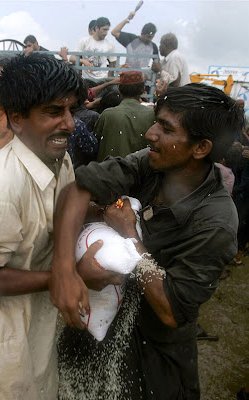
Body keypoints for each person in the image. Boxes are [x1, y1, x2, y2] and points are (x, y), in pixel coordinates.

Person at [50, 83, 244, 399]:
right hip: (100, 326)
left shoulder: (217, 223)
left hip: (154, 356)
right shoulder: (151, 162)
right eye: (156, 121)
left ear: (200, 148)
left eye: (165, 128)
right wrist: (63, 270)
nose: (150, 133)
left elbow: (172, 311)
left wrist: (130, 237)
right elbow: (79, 186)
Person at [0, 53, 120, 400]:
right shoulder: (2, 189)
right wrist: (69, 275)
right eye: (54, 112)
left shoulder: (58, 157)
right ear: (17, 119)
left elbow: (65, 198)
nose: (70, 124)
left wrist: (98, 217)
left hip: (33, 326)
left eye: (72, 109)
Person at [94, 70, 155, 162]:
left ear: (119, 89)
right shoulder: (152, 114)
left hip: (110, 170)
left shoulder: (107, 114)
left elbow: (95, 141)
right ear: (143, 90)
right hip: (141, 172)